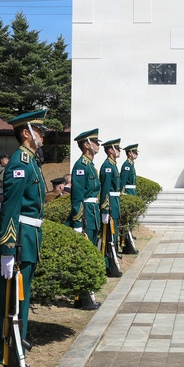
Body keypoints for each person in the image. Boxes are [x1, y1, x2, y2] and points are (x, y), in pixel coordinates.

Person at [0, 109, 49, 367]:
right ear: (26, 133)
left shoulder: (30, 162)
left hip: (30, 237)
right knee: (15, 304)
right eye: (39, 132)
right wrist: (7, 247)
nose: (43, 137)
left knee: (22, 302)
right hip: (20, 240)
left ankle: (19, 361)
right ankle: (15, 364)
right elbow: (10, 209)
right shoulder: (20, 163)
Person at [68, 128, 102, 309]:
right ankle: (84, 299)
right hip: (86, 214)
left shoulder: (89, 165)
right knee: (86, 255)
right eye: (96, 142)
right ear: (87, 145)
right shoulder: (81, 166)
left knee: (92, 253)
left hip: (93, 212)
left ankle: (86, 296)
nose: (98, 146)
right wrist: (77, 223)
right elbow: (77, 197)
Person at [98, 138, 123, 277]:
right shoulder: (107, 166)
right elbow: (105, 190)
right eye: (117, 149)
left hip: (115, 203)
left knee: (113, 236)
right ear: (110, 150)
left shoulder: (113, 165)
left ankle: (112, 263)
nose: (119, 151)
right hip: (110, 204)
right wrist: (105, 209)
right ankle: (108, 265)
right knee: (109, 237)